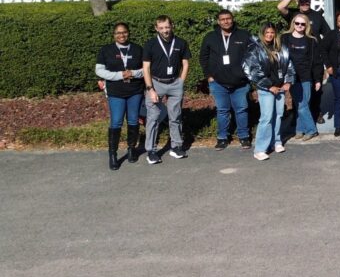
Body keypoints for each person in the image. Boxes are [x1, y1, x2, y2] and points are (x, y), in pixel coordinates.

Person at [199, 9, 253, 150]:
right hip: (218, 83)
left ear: (232, 19)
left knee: (241, 110)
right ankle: (222, 138)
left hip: (240, 83)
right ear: (218, 22)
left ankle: (244, 137)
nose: (226, 21)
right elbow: (203, 57)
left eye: (228, 18)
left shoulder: (244, 35)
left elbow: (252, 55)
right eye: (222, 19)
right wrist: (208, 76)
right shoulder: (210, 37)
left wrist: (248, 75)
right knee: (222, 111)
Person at [142, 15, 191, 164]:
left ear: (172, 26)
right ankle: (151, 151)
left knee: (175, 116)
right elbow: (146, 68)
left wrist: (181, 81)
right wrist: (150, 89)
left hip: (175, 83)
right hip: (156, 83)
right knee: (153, 117)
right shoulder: (150, 44)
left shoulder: (181, 42)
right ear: (156, 28)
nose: (165, 30)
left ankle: (176, 147)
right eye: (161, 28)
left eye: (167, 27)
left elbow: (185, 64)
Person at [95, 22, 145, 170]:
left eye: (124, 32)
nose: (121, 35)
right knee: (116, 122)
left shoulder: (137, 49)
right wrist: (119, 75)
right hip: (116, 91)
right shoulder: (106, 50)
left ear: (128, 33)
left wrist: (133, 73)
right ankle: (113, 154)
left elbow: (146, 69)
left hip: (135, 90)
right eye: (118, 33)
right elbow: (99, 70)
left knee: (133, 120)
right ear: (114, 35)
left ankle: (131, 149)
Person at [243, 23, 295, 160]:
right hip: (266, 89)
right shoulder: (255, 48)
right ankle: (260, 149)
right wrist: (269, 86)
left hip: (280, 87)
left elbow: (289, 65)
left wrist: (288, 81)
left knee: (278, 115)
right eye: (267, 32)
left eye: (272, 32)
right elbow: (253, 70)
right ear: (262, 33)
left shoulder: (281, 47)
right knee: (266, 118)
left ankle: (276, 142)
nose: (270, 35)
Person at [280, 13, 322, 142]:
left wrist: (318, 79)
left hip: (306, 76)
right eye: (297, 23)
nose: (299, 26)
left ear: (306, 25)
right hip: (292, 77)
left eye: (302, 24)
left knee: (303, 104)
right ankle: (311, 130)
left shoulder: (311, 40)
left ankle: (300, 129)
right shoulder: (284, 38)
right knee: (301, 104)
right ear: (293, 24)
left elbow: (317, 62)